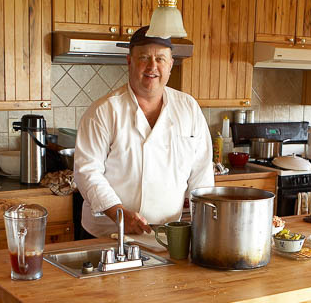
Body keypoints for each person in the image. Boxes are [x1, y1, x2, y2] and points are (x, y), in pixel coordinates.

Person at [73, 26, 214, 238]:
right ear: (129, 62)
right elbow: (87, 173)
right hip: (108, 235)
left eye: (160, 59)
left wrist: (205, 229)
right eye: (144, 58)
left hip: (167, 236)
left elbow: (202, 174)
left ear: (171, 65)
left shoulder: (189, 108)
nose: (152, 66)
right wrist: (118, 214)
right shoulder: (103, 111)